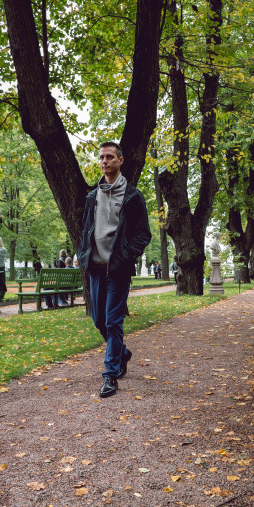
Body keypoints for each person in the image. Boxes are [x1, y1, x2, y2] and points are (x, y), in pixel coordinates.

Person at [77, 141, 151, 398]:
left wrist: (126, 256)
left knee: (112, 322)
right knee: (99, 320)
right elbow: (85, 231)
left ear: (120, 160)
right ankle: (123, 353)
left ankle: (110, 376)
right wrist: (82, 253)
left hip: (117, 269)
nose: (104, 161)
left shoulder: (132, 196)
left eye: (110, 157)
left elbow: (143, 235)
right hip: (95, 268)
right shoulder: (91, 196)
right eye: (101, 157)